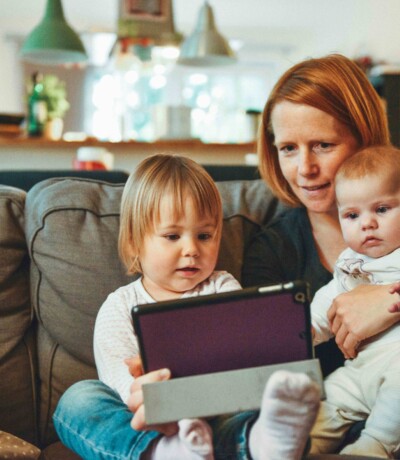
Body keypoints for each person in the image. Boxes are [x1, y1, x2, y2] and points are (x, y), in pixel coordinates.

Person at [53, 153, 320, 460]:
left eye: (204, 235)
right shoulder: (119, 306)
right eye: (172, 236)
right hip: (151, 422)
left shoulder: (222, 287)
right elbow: (119, 384)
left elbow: (244, 354)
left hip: (218, 413)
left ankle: (262, 443)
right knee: (78, 400)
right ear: (133, 243)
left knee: (264, 405)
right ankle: (165, 452)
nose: (192, 249)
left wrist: (282, 338)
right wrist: (151, 396)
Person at [308, 145, 400, 457]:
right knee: (328, 397)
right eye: (352, 215)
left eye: (382, 209)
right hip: (358, 369)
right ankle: (303, 444)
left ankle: (374, 444)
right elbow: (330, 299)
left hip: (396, 365)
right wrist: (309, 328)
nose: (367, 223)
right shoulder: (350, 261)